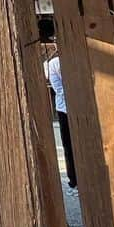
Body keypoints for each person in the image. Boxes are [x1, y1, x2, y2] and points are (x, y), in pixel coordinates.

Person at [44, 50, 77, 190]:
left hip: (64, 107)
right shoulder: (56, 63)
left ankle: (73, 180)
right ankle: (74, 178)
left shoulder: (53, 63)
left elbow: (58, 87)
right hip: (70, 106)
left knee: (69, 146)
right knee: (70, 145)